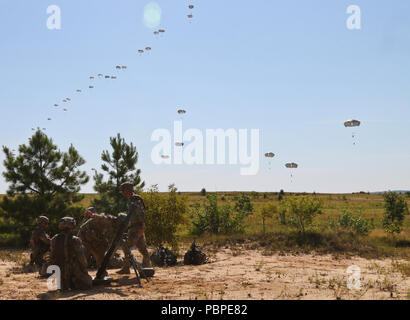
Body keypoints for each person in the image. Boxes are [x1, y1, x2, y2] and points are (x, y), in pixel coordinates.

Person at [117, 182, 152, 274]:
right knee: (142, 248)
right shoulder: (132, 199)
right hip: (135, 227)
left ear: (128, 190)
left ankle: (126, 268)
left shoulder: (135, 200)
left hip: (137, 227)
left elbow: (141, 214)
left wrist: (140, 227)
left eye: (123, 191)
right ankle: (147, 267)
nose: (123, 193)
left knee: (126, 246)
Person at [49, 217, 92, 291]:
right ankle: (73, 282)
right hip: (71, 268)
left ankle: (63, 283)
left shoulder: (54, 239)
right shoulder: (75, 239)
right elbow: (81, 258)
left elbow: (52, 255)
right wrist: (85, 269)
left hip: (57, 270)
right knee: (88, 281)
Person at [78, 207, 124, 272]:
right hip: (85, 237)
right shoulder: (110, 220)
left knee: (101, 255)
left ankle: (101, 273)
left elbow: (113, 241)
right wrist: (93, 215)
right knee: (83, 258)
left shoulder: (116, 226)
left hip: (95, 238)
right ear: (118, 220)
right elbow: (101, 217)